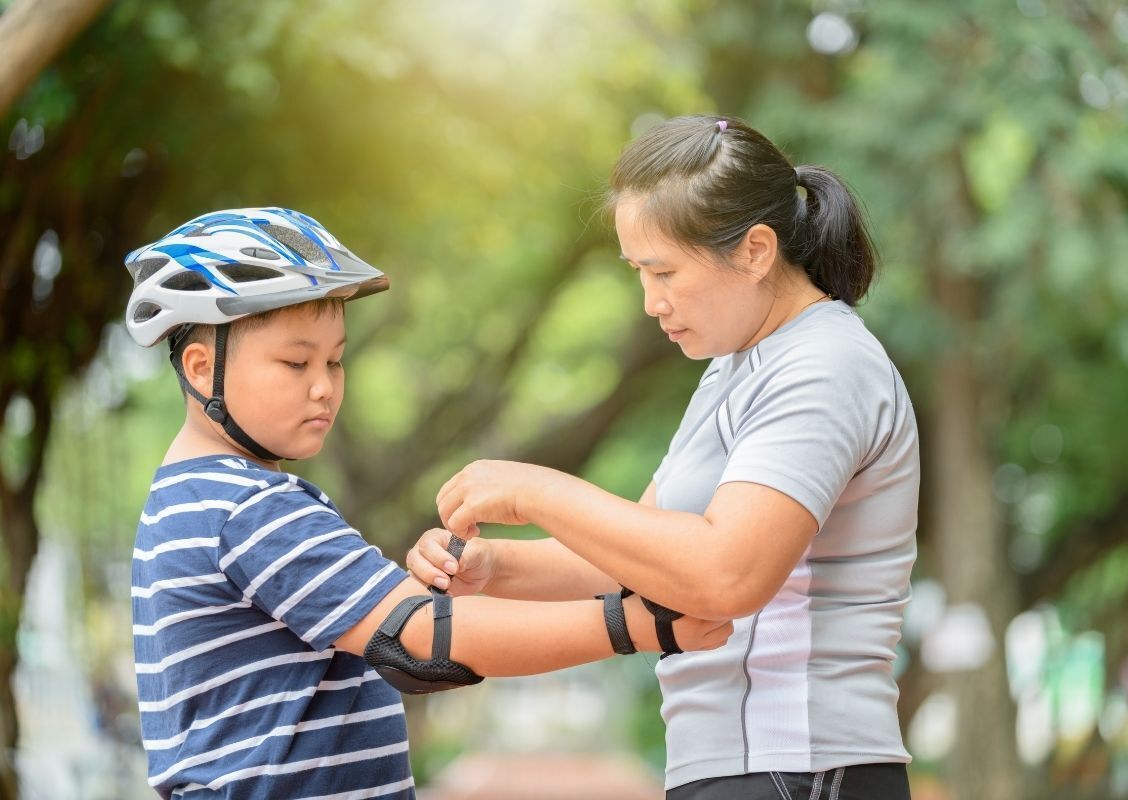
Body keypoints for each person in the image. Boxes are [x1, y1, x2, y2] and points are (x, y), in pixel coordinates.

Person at [125, 207, 731, 800]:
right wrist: (636, 627)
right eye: (294, 362)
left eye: (335, 360)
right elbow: (419, 640)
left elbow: (393, 647)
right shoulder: (249, 508)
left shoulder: (187, 500)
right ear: (203, 370)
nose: (324, 385)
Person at [406, 115, 919, 800]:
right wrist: (496, 566)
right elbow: (632, 556)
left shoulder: (824, 365)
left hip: (799, 764)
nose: (651, 302)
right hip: (738, 767)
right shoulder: (736, 368)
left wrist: (535, 493)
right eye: (638, 274)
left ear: (756, 250)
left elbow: (725, 572)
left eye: (664, 271)